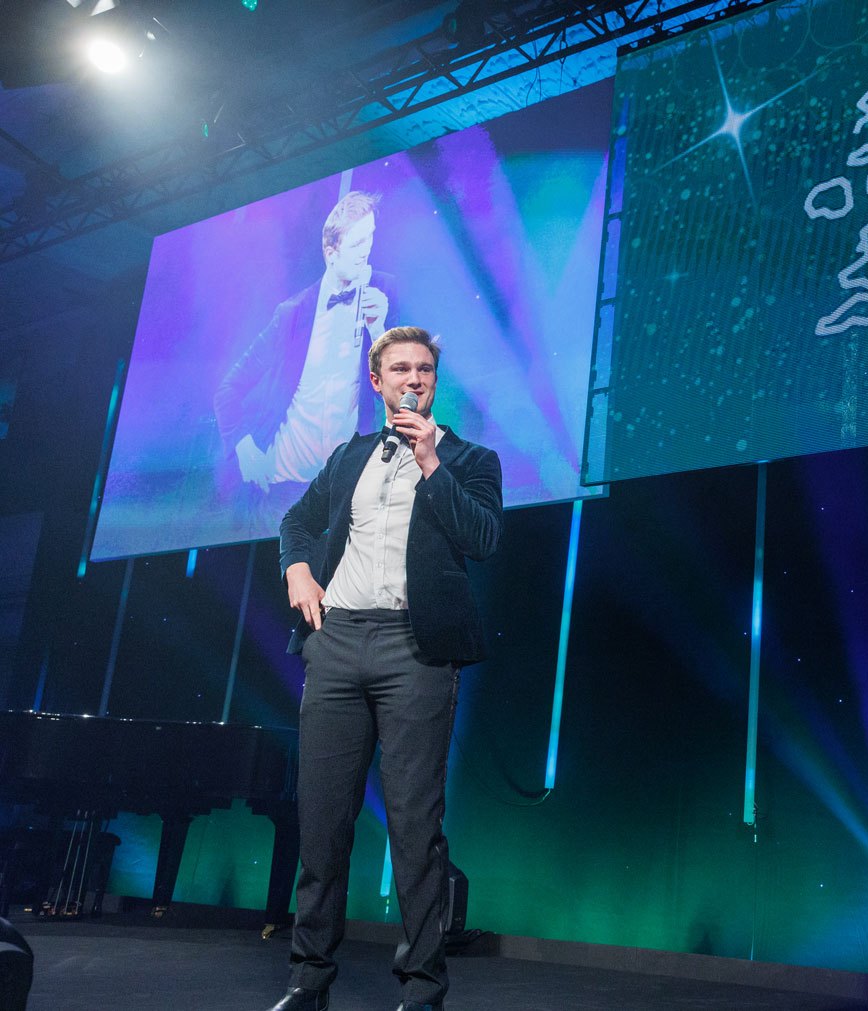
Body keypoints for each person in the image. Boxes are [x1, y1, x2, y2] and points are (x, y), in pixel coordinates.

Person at [265, 326, 502, 1011]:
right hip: (336, 642)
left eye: (424, 368)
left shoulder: (470, 458)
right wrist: (298, 570)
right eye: (400, 368)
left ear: (434, 381)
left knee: (414, 828)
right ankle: (308, 980)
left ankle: (422, 990)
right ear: (377, 381)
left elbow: (483, 538)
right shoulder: (348, 456)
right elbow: (296, 520)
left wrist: (431, 462)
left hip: (415, 650)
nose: (413, 378)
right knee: (322, 822)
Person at [215, 190, 400, 524]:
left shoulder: (386, 292)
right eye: (357, 244)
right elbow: (228, 389)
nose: (366, 251)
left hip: (350, 488)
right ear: (331, 253)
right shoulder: (293, 312)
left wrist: (379, 330)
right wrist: (243, 447)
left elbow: (406, 395)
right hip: (284, 489)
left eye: (370, 238)